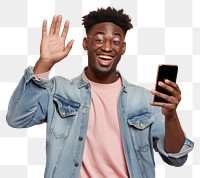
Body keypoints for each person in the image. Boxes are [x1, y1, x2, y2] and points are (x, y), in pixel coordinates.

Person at [7, 7, 193, 178]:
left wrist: (171, 116)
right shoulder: (59, 90)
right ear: (86, 43)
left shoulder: (145, 100)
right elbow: (17, 119)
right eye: (99, 40)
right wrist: (44, 63)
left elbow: (176, 158)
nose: (106, 47)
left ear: (123, 48)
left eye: (116, 41)